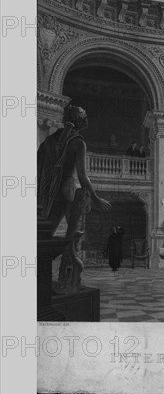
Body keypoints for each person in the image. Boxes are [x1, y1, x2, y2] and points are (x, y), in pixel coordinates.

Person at [37, 105, 112, 292]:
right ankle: (68, 280)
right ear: (79, 119)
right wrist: (95, 197)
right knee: (71, 239)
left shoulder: (51, 139)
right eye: (83, 115)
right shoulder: (78, 142)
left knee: (45, 235)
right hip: (70, 190)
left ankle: (45, 280)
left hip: (52, 190)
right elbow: (82, 175)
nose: (86, 117)